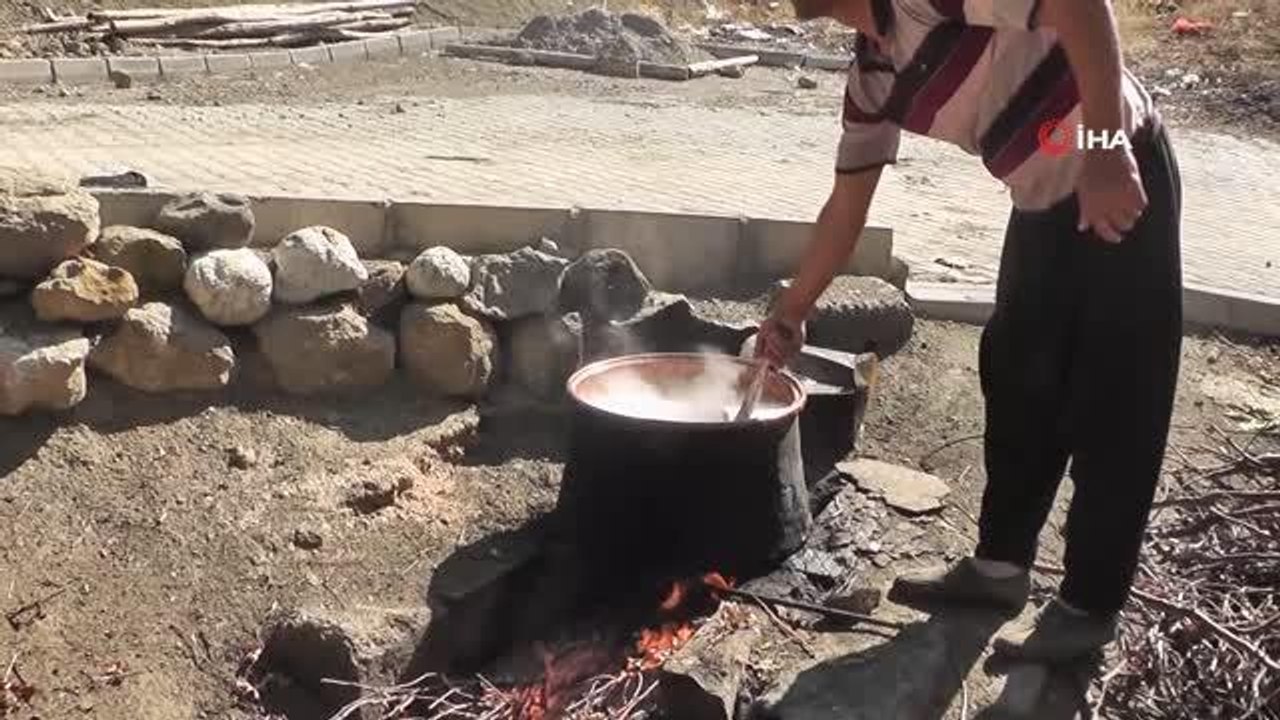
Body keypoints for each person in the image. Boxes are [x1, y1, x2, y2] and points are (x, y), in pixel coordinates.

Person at [755, 0, 1182, 661]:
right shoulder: (873, 73)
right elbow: (847, 205)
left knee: (1115, 402)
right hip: (1041, 204)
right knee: (1017, 380)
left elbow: (1080, 7)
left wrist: (1104, 149)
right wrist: (793, 309)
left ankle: (1088, 608)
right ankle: (998, 571)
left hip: (1119, 176)